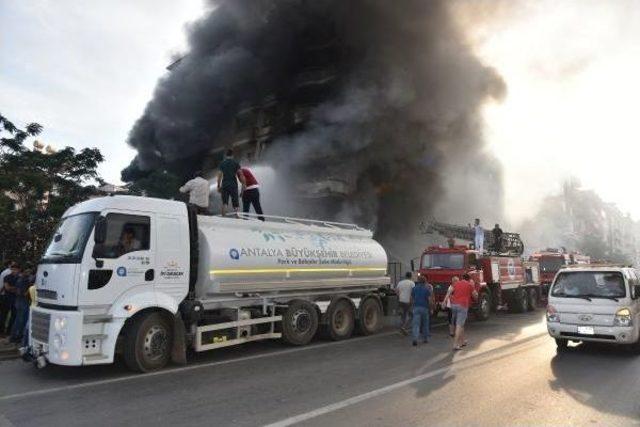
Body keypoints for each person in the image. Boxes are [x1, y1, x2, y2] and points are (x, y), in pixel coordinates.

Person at [450, 273, 478, 351]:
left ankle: (462, 341)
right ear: (469, 279)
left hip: (454, 305)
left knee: (461, 324)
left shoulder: (456, 283)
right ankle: (455, 344)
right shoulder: (469, 285)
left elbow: (450, 291)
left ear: (462, 277)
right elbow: (475, 295)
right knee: (459, 325)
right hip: (462, 306)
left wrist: (445, 301)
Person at [217, 149, 246, 216]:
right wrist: (243, 184)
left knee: (225, 203)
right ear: (232, 155)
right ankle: (237, 216)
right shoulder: (236, 163)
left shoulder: (222, 163)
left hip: (225, 184)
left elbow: (219, 175)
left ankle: (223, 217)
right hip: (233, 185)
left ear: (226, 155)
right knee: (236, 203)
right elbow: (241, 175)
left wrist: (218, 186)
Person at [10, 266, 33, 344]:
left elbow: (17, 291)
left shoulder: (19, 279)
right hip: (23, 301)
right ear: (23, 272)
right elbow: (23, 293)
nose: (29, 273)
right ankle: (17, 337)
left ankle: (14, 337)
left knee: (18, 319)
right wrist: (30, 288)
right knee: (21, 320)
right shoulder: (24, 280)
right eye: (27, 271)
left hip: (18, 301)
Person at [410, 275, 433, 346]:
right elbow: (429, 300)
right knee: (425, 324)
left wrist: (412, 307)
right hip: (424, 308)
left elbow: (411, 298)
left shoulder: (414, 288)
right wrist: (431, 308)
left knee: (416, 324)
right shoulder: (427, 289)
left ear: (418, 281)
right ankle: (425, 338)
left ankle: (415, 339)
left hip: (416, 308)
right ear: (425, 281)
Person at [0, 264, 20, 336]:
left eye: (16, 269)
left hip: (15, 299)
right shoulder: (7, 277)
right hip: (7, 298)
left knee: (14, 315)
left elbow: (18, 289)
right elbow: (7, 288)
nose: (15, 271)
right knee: (3, 315)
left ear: (18, 270)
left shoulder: (19, 278)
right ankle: (2, 331)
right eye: (13, 269)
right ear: (11, 269)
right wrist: (15, 288)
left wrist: (12, 288)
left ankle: (9, 331)